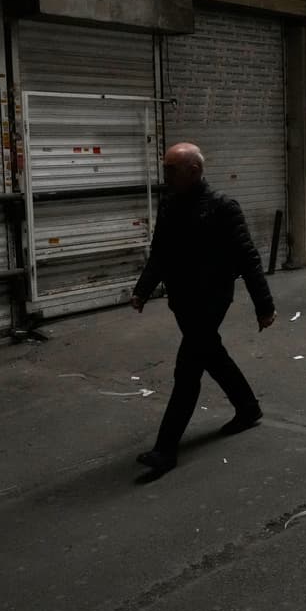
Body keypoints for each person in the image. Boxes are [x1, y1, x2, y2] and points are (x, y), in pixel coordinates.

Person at [129, 143, 277, 479]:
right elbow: (160, 254)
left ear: (193, 171)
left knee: (188, 368)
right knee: (212, 354)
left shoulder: (222, 207)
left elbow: (248, 258)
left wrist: (264, 306)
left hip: (212, 298)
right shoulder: (170, 206)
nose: (165, 175)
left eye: (171, 170)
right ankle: (248, 407)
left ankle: (165, 449)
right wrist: (142, 290)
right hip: (182, 300)